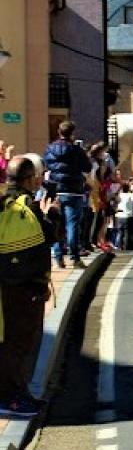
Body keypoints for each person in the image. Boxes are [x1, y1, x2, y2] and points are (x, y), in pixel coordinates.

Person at [0, 156, 56, 416]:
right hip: (25, 289)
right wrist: (51, 215)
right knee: (20, 344)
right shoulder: (28, 208)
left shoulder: (2, 202)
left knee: (7, 342)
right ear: (31, 179)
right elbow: (46, 243)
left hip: (4, 286)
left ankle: (14, 395)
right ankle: (13, 397)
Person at [43, 121, 92, 268]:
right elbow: (87, 167)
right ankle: (75, 258)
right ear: (72, 133)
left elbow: (47, 165)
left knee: (57, 224)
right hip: (73, 190)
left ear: (59, 132)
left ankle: (58, 257)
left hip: (56, 189)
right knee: (72, 225)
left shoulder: (50, 148)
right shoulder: (76, 150)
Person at [112, 181, 133, 251]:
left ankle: (118, 246)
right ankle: (126, 246)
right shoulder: (130, 195)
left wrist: (119, 188)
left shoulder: (119, 195)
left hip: (119, 215)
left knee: (119, 232)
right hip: (127, 216)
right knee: (127, 232)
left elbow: (114, 197)